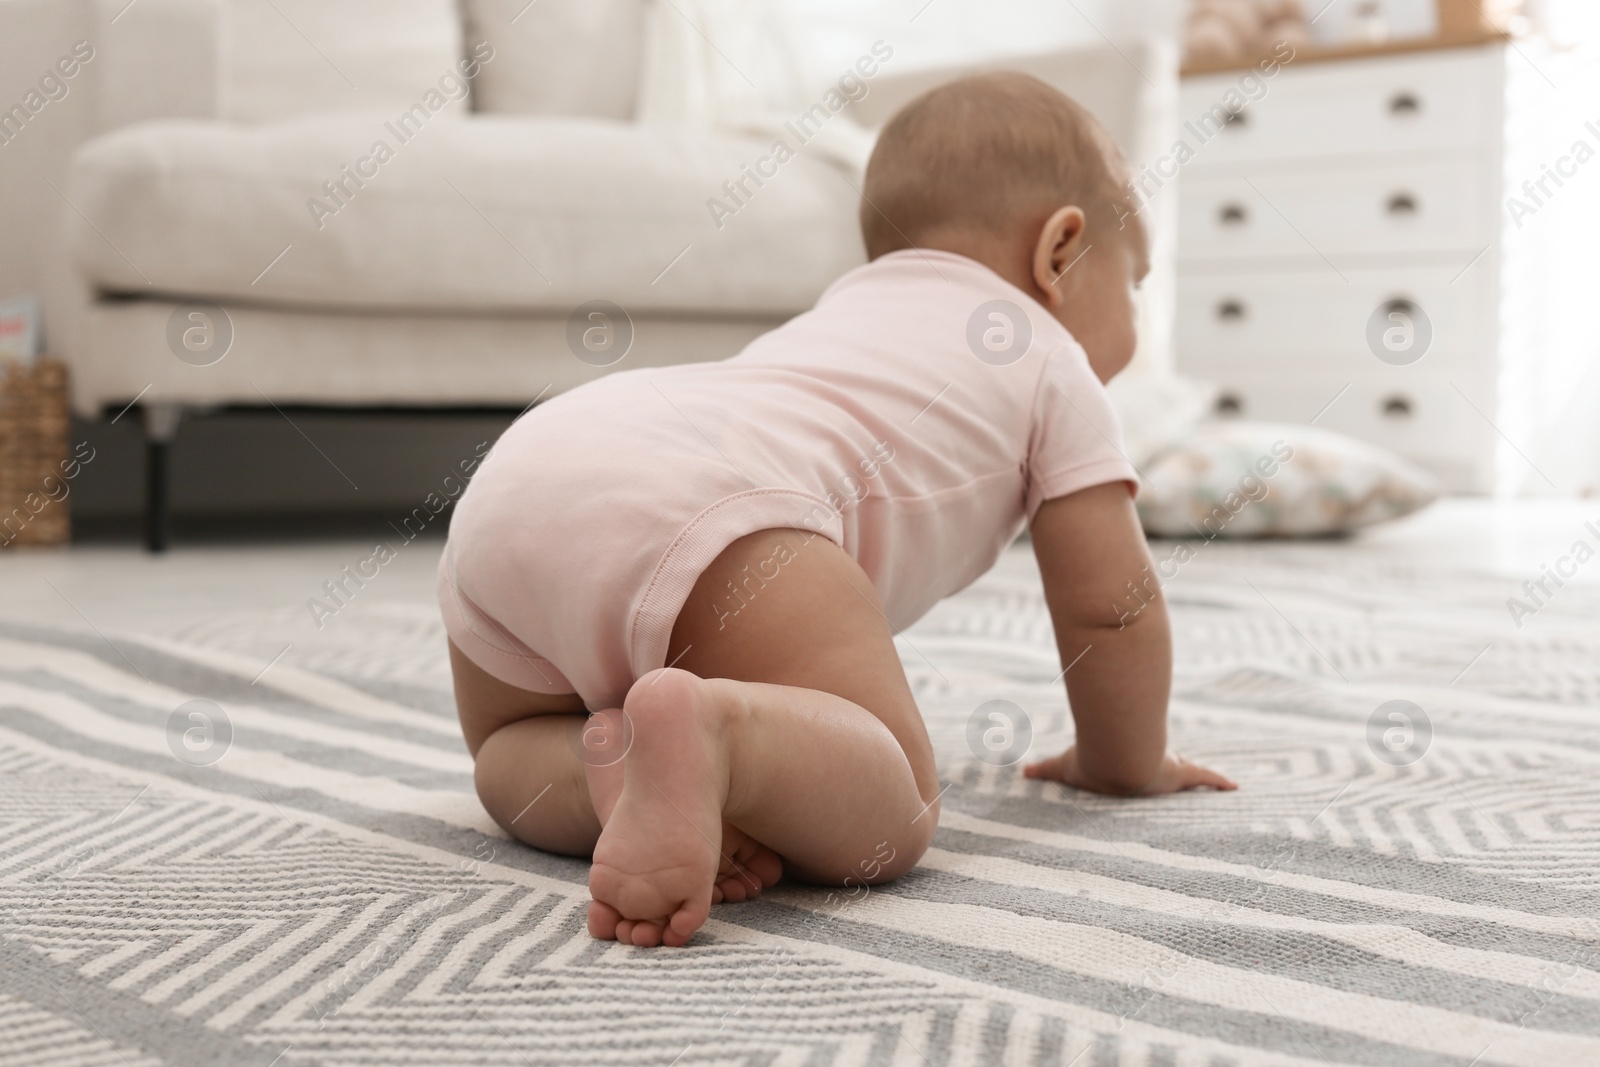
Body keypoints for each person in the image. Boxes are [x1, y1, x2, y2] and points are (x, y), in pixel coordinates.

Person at [438, 72, 1236, 949]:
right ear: (1060, 251)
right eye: (1136, 282)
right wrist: (1123, 762)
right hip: (727, 513)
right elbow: (1108, 606)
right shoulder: (1050, 355)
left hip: (524, 475)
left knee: (510, 755)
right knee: (892, 813)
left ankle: (618, 765)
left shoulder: (839, 311)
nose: (1135, 313)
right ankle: (719, 735)